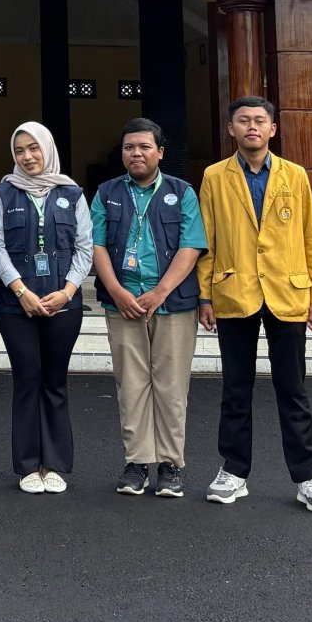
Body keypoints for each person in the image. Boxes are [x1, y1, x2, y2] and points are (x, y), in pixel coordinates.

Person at [198, 96, 312, 513]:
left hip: (287, 292)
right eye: (243, 120)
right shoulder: (214, 176)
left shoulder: (295, 175)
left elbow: (310, 236)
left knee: (293, 389)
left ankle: (308, 476)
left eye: (260, 120)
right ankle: (234, 471)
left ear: (273, 129)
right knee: (235, 389)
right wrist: (205, 294)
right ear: (231, 129)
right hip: (234, 290)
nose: (252, 127)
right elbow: (207, 240)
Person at [91, 118, 207, 497]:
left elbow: (191, 246)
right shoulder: (106, 193)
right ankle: (137, 462)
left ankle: (170, 465)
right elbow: (96, 245)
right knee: (131, 384)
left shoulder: (181, 192)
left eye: (144, 147)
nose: (136, 153)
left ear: (160, 152)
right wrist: (115, 290)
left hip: (173, 305)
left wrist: (159, 292)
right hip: (122, 304)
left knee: (171, 386)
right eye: (129, 148)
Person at [0, 122, 93, 494]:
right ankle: (27, 466)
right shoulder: (2, 194)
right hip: (15, 305)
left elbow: (84, 247)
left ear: (47, 149)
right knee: (26, 381)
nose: (27, 156)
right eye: (19, 150)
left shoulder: (72, 193)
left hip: (63, 305)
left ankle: (54, 464)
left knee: (55, 381)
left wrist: (68, 291)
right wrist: (20, 290)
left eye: (34, 148)